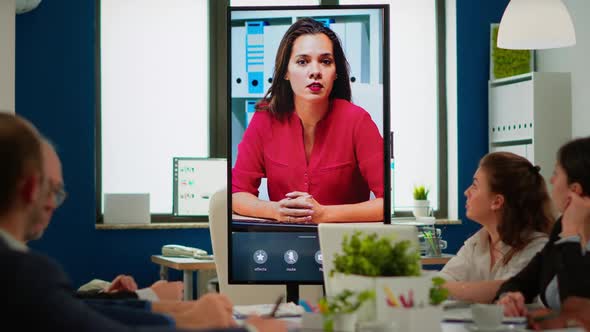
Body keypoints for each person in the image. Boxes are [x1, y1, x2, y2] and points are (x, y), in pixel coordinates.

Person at [0, 113, 286, 332]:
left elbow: (75, 308)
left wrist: (148, 298)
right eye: (53, 190)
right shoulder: (23, 274)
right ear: (30, 189)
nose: (53, 203)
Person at [232, 18, 384, 223]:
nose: (315, 71)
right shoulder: (264, 119)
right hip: (282, 245)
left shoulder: (358, 121)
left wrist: (324, 214)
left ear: (336, 72)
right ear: (285, 71)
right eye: (303, 61)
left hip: (346, 246)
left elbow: (387, 203)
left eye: (326, 61)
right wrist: (275, 210)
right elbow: (236, 194)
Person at [439, 152, 553, 303]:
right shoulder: (478, 242)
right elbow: (442, 280)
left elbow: (505, 289)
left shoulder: (537, 246)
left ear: (497, 202)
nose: (466, 192)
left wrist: (444, 288)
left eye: (475, 186)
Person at [495, 136, 590, 317]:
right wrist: (509, 297)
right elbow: (523, 281)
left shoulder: (566, 232)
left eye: (556, 174)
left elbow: (578, 306)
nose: (551, 181)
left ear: (575, 189)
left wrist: (570, 237)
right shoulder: (560, 228)